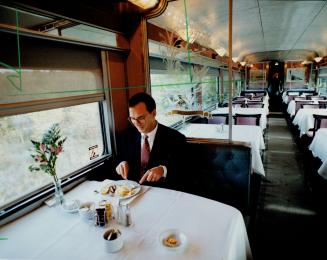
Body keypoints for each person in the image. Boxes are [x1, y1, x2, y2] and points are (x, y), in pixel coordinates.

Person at [115, 92, 187, 190]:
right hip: (132, 192)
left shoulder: (175, 138)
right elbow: (118, 159)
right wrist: (121, 164)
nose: (136, 123)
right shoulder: (126, 136)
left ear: (153, 113)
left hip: (162, 193)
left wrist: (163, 170)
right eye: (132, 118)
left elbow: (183, 169)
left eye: (141, 118)